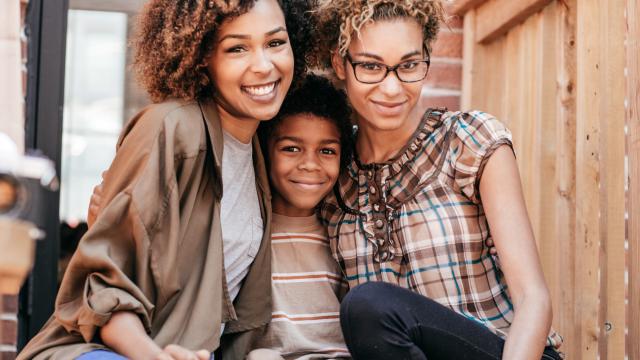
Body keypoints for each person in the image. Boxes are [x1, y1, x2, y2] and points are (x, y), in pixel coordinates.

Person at [18, 0, 312, 359]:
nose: (264, 65)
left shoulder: (258, 153)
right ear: (203, 58)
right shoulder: (171, 128)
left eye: (275, 43)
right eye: (237, 48)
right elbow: (104, 288)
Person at [310, 1, 564, 359]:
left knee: (370, 304)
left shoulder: (469, 141)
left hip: (508, 353)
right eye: (371, 66)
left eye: (409, 65)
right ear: (340, 64)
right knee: (366, 311)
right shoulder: (332, 176)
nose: (393, 88)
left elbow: (533, 298)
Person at [244, 74, 353, 359]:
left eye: (327, 151)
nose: (309, 165)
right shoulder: (246, 231)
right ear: (266, 151)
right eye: (291, 148)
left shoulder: (344, 233)